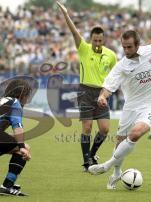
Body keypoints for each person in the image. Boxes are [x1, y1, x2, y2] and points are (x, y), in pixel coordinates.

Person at [88, 30, 151, 189]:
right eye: (124, 47)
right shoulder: (121, 66)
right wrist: (102, 97)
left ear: (138, 45)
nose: (126, 50)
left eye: (129, 47)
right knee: (119, 142)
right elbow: (108, 87)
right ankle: (116, 173)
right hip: (131, 106)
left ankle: (107, 165)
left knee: (135, 134)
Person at [57, 1, 117, 171]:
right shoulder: (84, 48)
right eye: (95, 40)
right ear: (91, 39)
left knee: (105, 130)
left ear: (103, 39)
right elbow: (73, 31)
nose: (97, 43)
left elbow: (115, 76)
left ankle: (92, 154)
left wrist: (108, 92)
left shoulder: (111, 55)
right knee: (87, 127)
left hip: (102, 93)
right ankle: (86, 162)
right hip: (85, 91)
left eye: (100, 40)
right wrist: (66, 14)